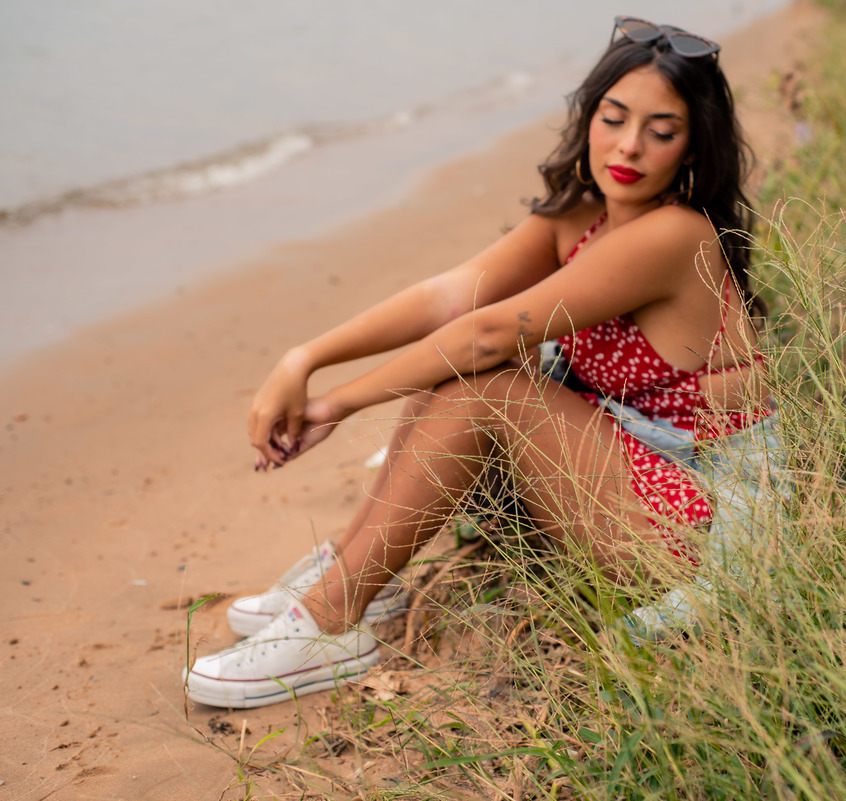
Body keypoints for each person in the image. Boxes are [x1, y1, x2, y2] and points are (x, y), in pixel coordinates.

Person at [182, 16, 775, 709]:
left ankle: (333, 620)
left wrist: (338, 402)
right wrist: (304, 357)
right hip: (618, 485)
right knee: (455, 370)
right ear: (590, 115)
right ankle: (353, 573)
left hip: (695, 532)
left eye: (661, 131)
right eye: (614, 119)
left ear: (692, 146)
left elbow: (487, 335)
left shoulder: (673, 234)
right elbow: (452, 296)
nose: (629, 146)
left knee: (486, 385)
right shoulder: (582, 216)